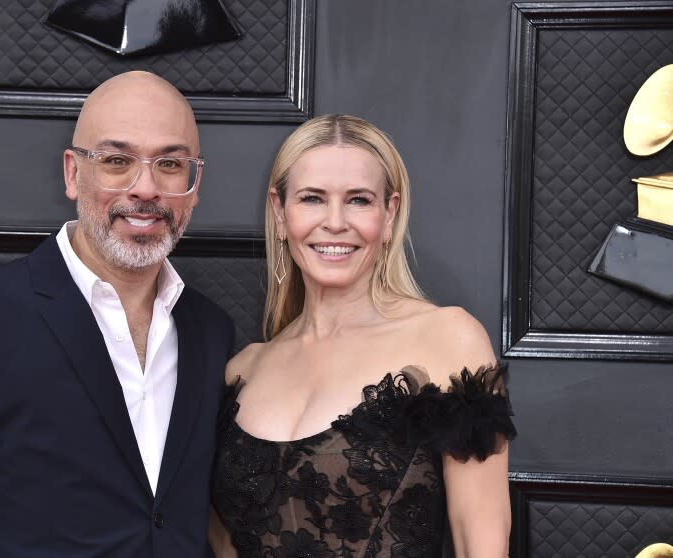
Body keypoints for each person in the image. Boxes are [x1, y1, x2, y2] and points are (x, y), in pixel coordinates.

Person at [0, 71, 235, 557]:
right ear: (73, 172)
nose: (146, 188)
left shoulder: (210, 330)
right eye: (117, 160)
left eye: (170, 164)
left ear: (193, 183)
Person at [209, 114, 517, 557]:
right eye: (312, 198)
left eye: (358, 200)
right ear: (280, 213)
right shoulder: (241, 370)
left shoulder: (448, 339)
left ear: (389, 214)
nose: (335, 222)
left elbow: (481, 542)